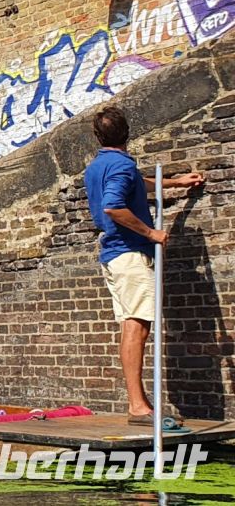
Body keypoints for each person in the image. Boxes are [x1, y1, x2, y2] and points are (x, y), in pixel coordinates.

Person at [83, 105, 203, 424]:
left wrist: (175, 183)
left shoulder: (97, 167)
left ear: (98, 137)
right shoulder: (122, 165)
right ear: (127, 132)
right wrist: (151, 233)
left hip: (114, 255)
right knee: (137, 328)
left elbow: (135, 183)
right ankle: (137, 406)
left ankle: (138, 403)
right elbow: (113, 206)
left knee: (131, 326)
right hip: (130, 254)